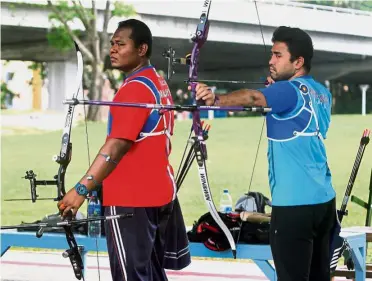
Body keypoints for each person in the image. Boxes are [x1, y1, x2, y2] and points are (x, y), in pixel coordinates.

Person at [194, 26, 336, 281]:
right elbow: (286, 109)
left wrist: (215, 101)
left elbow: (253, 97)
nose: (271, 60)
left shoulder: (287, 92)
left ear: (298, 62)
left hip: (294, 206)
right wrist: (275, 92)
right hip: (324, 202)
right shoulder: (322, 93)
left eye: (278, 55)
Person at [58, 19, 190, 281]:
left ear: (142, 49)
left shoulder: (135, 89)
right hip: (158, 193)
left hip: (131, 199)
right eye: (112, 44)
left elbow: (116, 146)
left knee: (131, 276)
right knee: (149, 273)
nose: (113, 50)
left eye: (121, 44)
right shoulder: (157, 83)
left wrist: (82, 189)